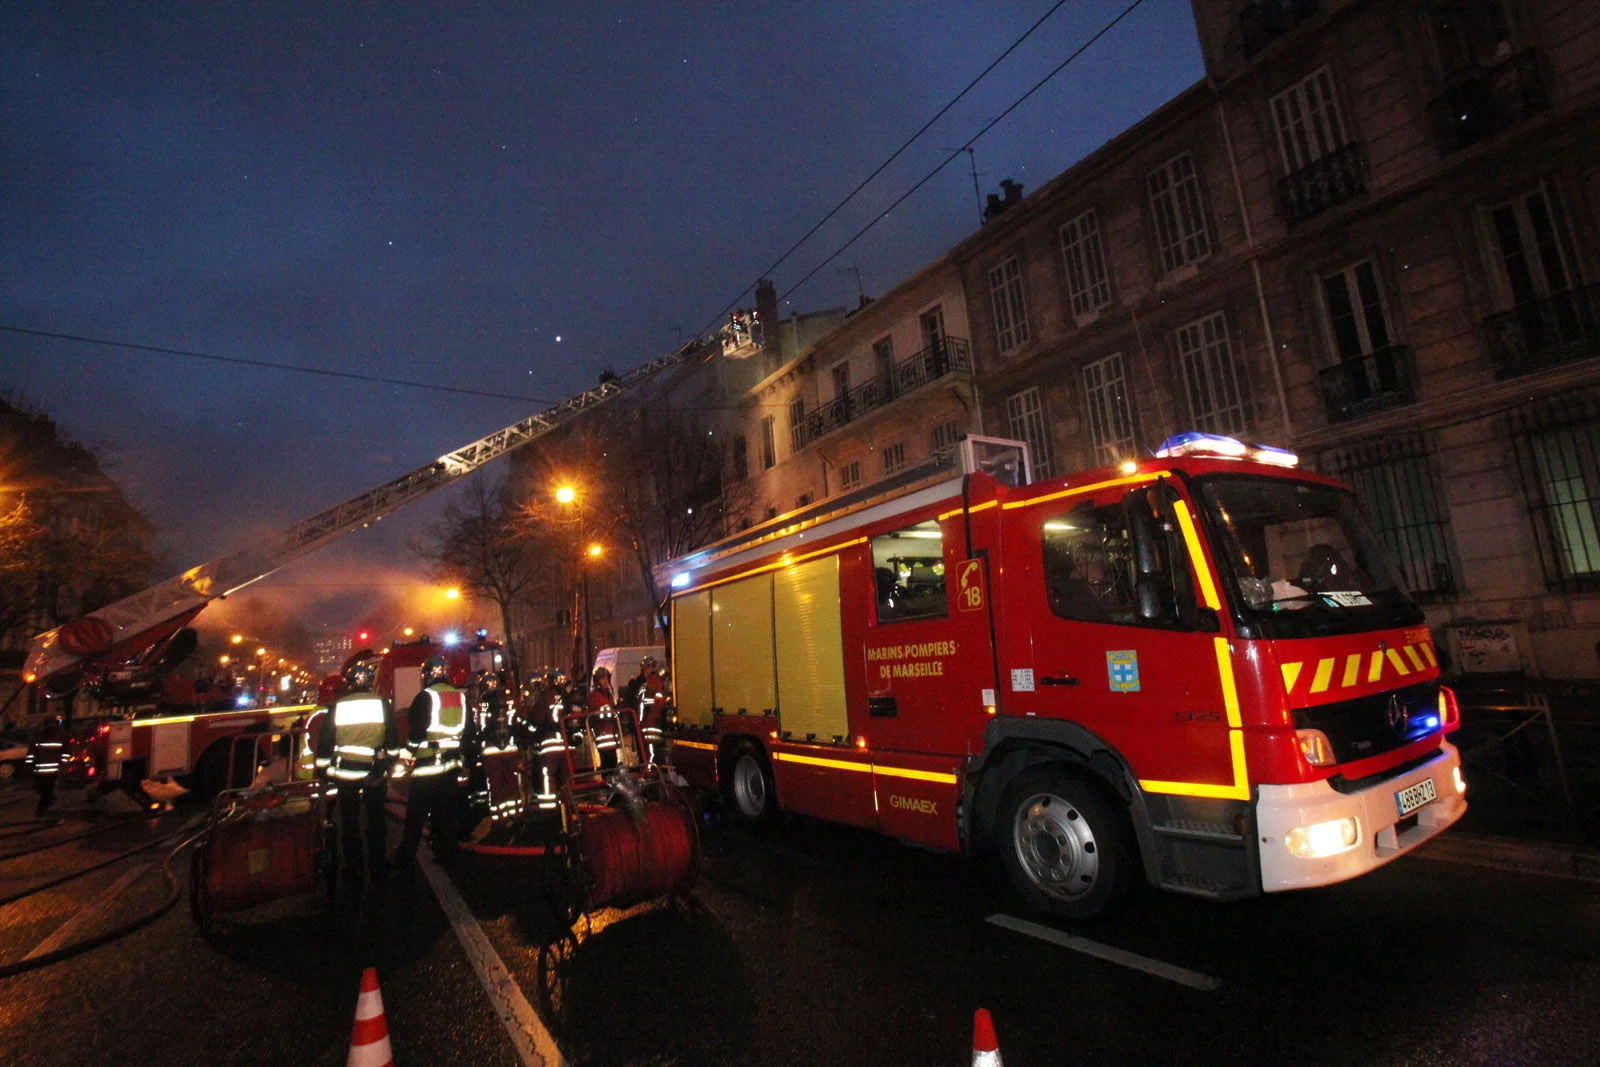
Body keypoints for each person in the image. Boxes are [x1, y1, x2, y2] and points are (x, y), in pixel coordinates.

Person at [315, 659, 393, 880]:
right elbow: (392, 738)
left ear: (348, 683)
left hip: (346, 773)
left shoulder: (338, 707)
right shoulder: (382, 704)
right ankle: (378, 862)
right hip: (374, 772)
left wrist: (322, 770)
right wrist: (388, 762)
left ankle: (352, 864)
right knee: (376, 818)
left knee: (349, 820)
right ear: (370, 682)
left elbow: (325, 742)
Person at [393, 654, 466, 869]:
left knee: (416, 815)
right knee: (445, 813)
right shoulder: (460, 697)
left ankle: (405, 860)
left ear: (427, 676)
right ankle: (446, 852)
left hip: (426, 769)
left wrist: (404, 759)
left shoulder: (425, 697)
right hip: (451, 766)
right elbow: (468, 732)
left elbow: (416, 734)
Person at [634, 655, 669, 765]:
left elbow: (642, 704)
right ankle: (652, 772)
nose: (650, 669)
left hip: (649, 724)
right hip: (653, 724)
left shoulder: (650, 683)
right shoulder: (653, 682)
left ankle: (650, 773)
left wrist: (639, 722)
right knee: (651, 752)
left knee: (650, 752)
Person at [29, 716, 66, 817]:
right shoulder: (59, 738)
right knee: (47, 791)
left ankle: (43, 810)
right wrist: (63, 764)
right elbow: (65, 753)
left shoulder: (39, 738)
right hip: (52, 771)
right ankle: (44, 809)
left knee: (44, 791)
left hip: (40, 771)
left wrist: (29, 766)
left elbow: (31, 754)